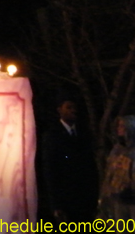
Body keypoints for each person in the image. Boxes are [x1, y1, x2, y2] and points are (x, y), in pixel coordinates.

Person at [41, 96, 99, 225]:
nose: (73, 110)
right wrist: (56, 205)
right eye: (68, 107)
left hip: (85, 197)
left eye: (74, 107)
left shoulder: (84, 133)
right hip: (66, 197)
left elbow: (90, 166)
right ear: (59, 110)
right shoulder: (52, 136)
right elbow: (50, 170)